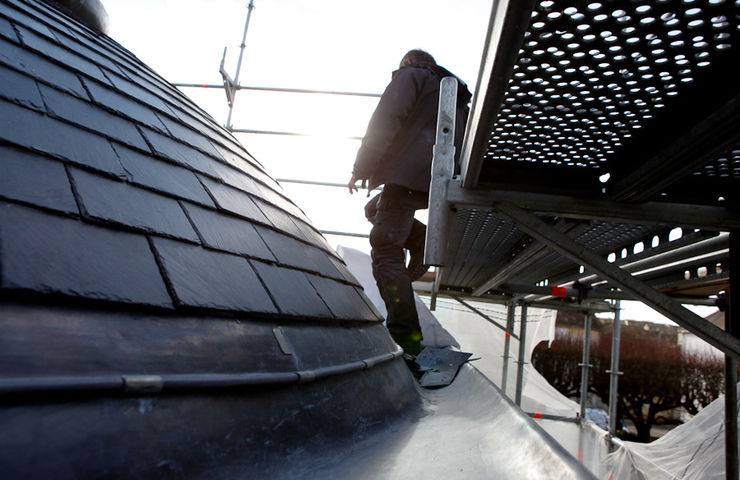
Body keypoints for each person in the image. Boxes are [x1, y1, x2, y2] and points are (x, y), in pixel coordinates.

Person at [348, 49, 471, 356]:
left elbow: (387, 118)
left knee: (386, 251)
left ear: (408, 62)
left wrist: (362, 167)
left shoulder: (413, 75)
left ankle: (406, 339)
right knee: (373, 209)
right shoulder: (454, 93)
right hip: (438, 180)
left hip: (407, 176)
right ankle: (418, 241)